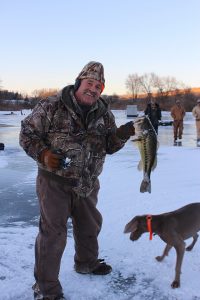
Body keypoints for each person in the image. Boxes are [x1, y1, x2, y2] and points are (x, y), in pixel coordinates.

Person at [19, 61, 135, 300]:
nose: (93, 89)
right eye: (90, 83)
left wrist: (121, 136)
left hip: (88, 183)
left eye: (98, 86)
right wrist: (43, 154)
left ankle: (86, 263)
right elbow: (27, 134)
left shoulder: (104, 114)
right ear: (79, 82)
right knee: (53, 234)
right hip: (54, 183)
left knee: (89, 226)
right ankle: (46, 288)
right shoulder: (51, 106)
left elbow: (109, 146)